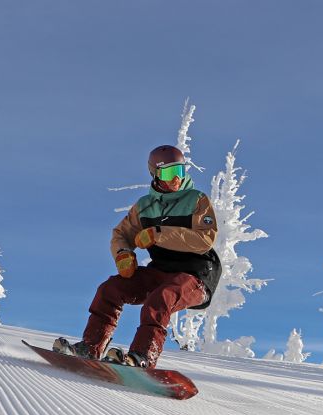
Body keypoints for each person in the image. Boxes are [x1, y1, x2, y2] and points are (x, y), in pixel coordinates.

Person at [54, 145, 221, 367]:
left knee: (161, 298)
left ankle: (143, 356)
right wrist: (123, 254)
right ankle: (91, 346)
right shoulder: (144, 207)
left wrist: (158, 234)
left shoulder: (197, 200)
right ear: (155, 175)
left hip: (196, 276)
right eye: (170, 174)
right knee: (110, 289)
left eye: (180, 171)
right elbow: (121, 234)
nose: (176, 179)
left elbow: (204, 240)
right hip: (161, 271)